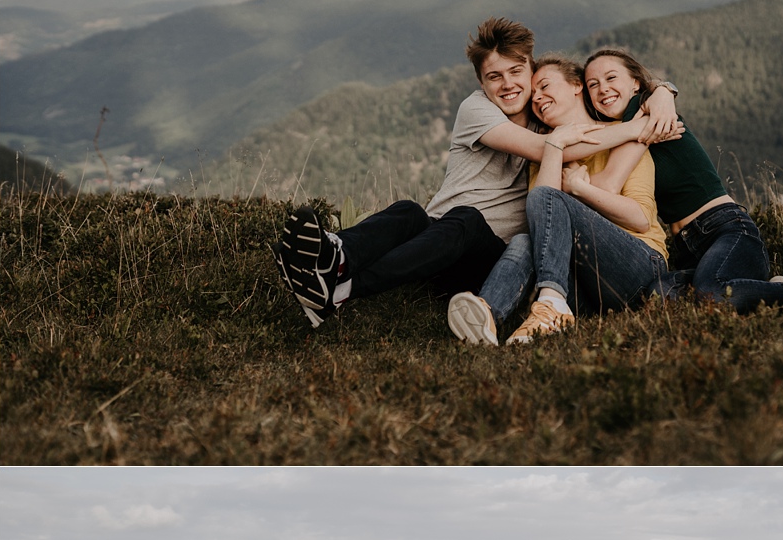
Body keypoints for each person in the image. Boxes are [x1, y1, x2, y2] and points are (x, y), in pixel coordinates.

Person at [273, 17, 680, 331]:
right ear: (481, 82)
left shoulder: (546, 117)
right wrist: (638, 128)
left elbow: (593, 116)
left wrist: (661, 89)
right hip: (439, 239)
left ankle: (338, 288)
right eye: (494, 77)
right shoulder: (479, 111)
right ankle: (335, 254)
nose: (508, 85)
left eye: (516, 73)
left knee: (464, 221)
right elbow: (550, 146)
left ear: (530, 69)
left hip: (489, 257)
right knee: (411, 212)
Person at [580, 47, 783, 314]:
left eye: (611, 77)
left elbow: (607, 184)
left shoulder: (641, 112)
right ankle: (777, 290)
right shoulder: (624, 131)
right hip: (688, 250)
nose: (603, 88)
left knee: (713, 294)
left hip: (725, 229)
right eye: (592, 84)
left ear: (635, 84)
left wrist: (571, 176)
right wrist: (666, 89)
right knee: (659, 299)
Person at [447, 55, 673, 344]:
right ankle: (487, 317)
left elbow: (640, 219)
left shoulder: (624, 137)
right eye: (534, 96)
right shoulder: (543, 159)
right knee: (526, 239)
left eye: (544, 86)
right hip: (588, 291)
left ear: (577, 85)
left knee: (547, 198)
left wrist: (581, 189)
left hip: (640, 268)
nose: (537, 98)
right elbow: (542, 225)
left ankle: (550, 303)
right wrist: (556, 144)